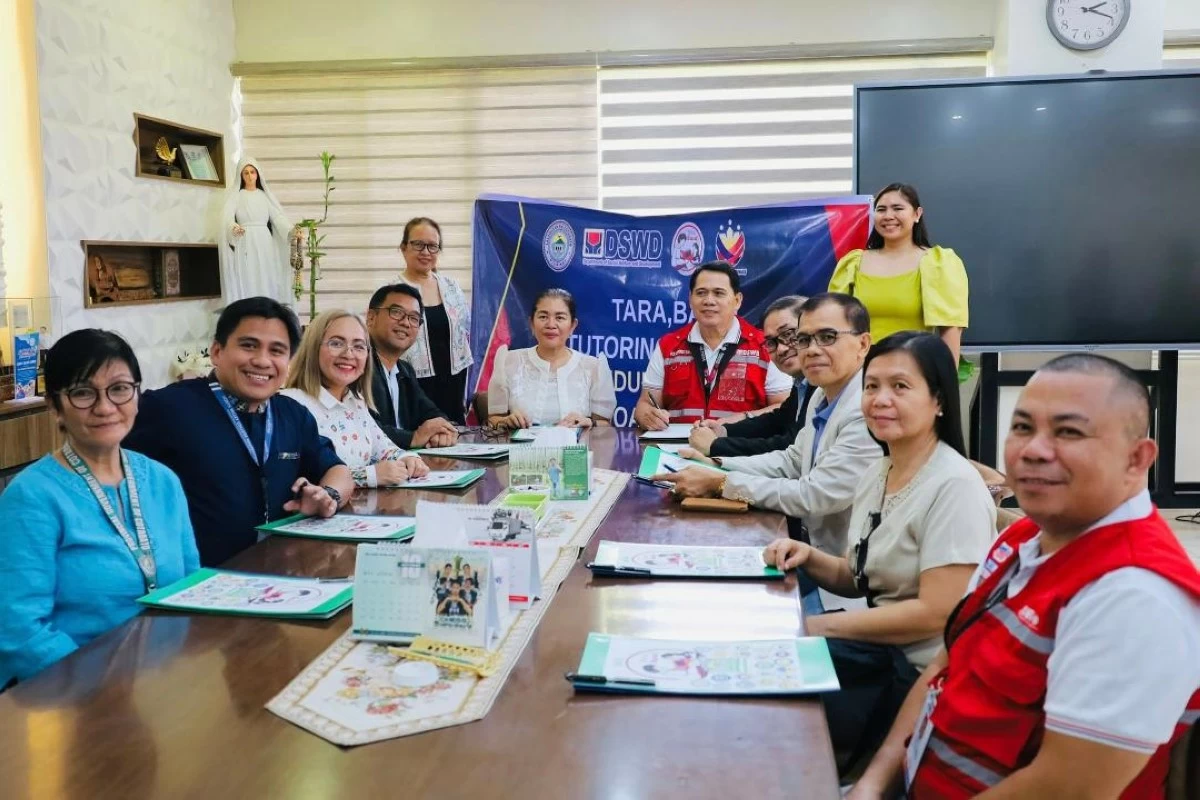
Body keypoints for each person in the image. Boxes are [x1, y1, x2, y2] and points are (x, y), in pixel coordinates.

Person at [848, 354, 1200, 800]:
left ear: (1137, 458)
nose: (1033, 449)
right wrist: (872, 785)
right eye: (1022, 428)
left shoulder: (1137, 594)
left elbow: (1065, 788)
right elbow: (945, 668)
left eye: (1069, 432)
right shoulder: (1023, 538)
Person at [762, 331, 996, 771]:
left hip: (917, 678)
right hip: (877, 654)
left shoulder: (954, 487)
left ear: (940, 401)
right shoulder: (880, 470)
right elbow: (861, 576)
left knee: (768, 705)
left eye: (900, 387)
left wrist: (817, 627)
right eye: (872, 386)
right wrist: (809, 556)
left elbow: (936, 613)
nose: (879, 399)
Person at [0, 330, 200, 686]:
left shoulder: (163, 480)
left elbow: (191, 591)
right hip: (72, 698)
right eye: (82, 393)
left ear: (137, 393)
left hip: (163, 682)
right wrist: (103, 693)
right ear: (55, 406)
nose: (105, 407)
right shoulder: (31, 497)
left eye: (119, 388)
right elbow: (20, 630)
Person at [125, 297, 354, 566]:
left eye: (277, 350)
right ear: (217, 351)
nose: (262, 361)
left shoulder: (292, 414)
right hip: (198, 582)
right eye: (249, 346)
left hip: (279, 578)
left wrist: (329, 497)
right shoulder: (168, 408)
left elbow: (340, 471)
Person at [654, 293, 881, 557]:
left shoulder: (867, 408)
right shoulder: (821, 393)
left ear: (863, 344)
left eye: (828, 337)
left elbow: (814, 494)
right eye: (804, 339)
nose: (812, 349)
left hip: (847, 574)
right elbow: (792, 461)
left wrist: (721, 483)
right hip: (812, 550)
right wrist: (716, 463)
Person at [633, 261, 792, 429]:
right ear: (690, 299)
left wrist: (743, 419)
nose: (709, 301)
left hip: (742, 450)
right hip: (677, 450)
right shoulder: (668, 346)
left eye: (718, 293)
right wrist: (646, 416)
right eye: (701, 293)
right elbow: (644, 404)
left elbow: (783, 407)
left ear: (737, 300)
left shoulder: (764, 346)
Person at [281, 309, 429, 488]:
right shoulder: (289, 404)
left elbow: (383, 449)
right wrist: (369, 476)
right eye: (336, 343)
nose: (349, 354)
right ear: (313, 348)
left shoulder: (355, 401)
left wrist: (408, 458)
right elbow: (297, 475)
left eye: (359, 346)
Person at [828, 183, 968, 364]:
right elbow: (832, 326)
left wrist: (945, 386)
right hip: (858, 376)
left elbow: (950, 332)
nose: (888, 216)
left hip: (914, 375)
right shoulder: (852, 263)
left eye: (897, 208)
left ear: (917, 214)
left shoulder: (939, 263)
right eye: (881, 209)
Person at [688, 294, 818, 457]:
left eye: (788, 335)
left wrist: (717, 445)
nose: (781, 349)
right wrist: (724, 431)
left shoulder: (822, 384)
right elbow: (777, 421)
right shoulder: (803, 382)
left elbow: (790, 445)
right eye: (771, 342)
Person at [487, 288, 617, 428]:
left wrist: (589, 422)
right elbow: (493, 420)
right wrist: (506, 422)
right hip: (519, 448)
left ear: (573, 326)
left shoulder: (593, 367)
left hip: (575, 448)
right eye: (543, 317)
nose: (551, 325)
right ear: (531, 323)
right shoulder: (509, 361)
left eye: (560, 317)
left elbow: (605, 425)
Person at [396, 217, 472, 423]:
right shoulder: (392, 291)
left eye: (432, 246)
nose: (426, 252)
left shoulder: (452, 287)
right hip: (411, 385)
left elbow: (467, 332)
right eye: (418, 244)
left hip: (453, 383)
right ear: (403, 248)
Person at [365, 283, 459, 449]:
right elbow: (362, 427)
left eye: (414, 318)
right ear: (371, 317)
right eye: (397, 312)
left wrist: (443, 430)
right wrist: (413, 438)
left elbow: (430, 413)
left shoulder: (405, 370)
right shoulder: (356, 365)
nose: (406, 323)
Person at [218, 157, 298, 306]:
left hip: (264, 241)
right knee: (249, 276)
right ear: (241, 176)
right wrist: (234, 228)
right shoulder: (237, 196)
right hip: (246, 241)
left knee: (266, 275)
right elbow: (228, 219)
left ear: (258, 174)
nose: (249, 176)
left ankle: (267, 308)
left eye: (252, 172)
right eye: (246, 173)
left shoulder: (264, 196)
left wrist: (291, 231)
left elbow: (277, 217)